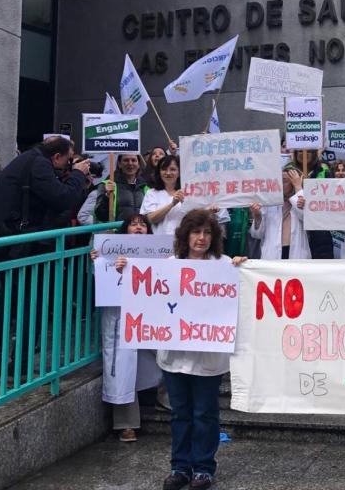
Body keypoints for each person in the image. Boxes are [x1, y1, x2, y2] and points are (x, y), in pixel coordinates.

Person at [115, 210, 229, 490]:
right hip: (175, 354)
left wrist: (242, 267)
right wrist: (125, 270)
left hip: (208, 356)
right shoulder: (169, 265)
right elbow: (145, 287)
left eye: (206, 233)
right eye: (196, 232)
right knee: (180, 413)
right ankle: (180, 466)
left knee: (205, 413)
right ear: (185, 235)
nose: (201, 238)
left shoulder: (224, 265)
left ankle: (203, 468)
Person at [91, 213, 161, 443]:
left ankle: (168, 400)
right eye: (133, 224)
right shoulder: (111, 254)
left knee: (163, 356)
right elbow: (101, 279)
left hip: (152, 314)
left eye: (143, 224)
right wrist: (98, 261)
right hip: (120, 315)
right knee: (122, 365)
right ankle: (126, 423)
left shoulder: (161, 254)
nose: (138, 228)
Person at [0, 137, 91, 256]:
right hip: (13, 241)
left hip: (11, 236)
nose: (69, 165)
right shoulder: (39, 164)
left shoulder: (32, 158)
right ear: (57, 157)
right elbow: (63, 199)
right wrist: (78, 174)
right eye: (68, 160)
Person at [248, 167, 311, 259]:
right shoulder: (269, 203)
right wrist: (257, 216)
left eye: (285, 181)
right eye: (278, 181)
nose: (280, 184)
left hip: (296, 255)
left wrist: (298, 187)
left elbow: (305, 217)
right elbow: (257, 234)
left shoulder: (304, 201)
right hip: (272, 255)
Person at [291, 150, 334, 259]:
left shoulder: (323, 170)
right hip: (296, 225)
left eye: (308, 151)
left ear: (314, 154)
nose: (303, 154)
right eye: (299, 151)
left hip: (319, 228)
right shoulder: (290, 171)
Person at [94, 154, 148, 225]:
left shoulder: (146, 187)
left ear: (138, 165)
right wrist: (106, 196)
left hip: (141, 234)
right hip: (116, 233)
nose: (130, 163)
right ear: (119, 164)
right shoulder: (106, 184)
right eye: (126, 160)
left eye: (133, 160)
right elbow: (101, 216)